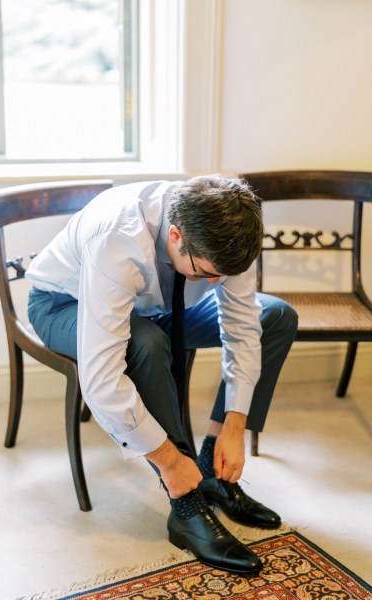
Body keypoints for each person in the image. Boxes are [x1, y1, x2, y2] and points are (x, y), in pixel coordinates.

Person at [26, 175, 298, 575]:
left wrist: (235, 423)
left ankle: (210, 472)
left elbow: (241, 325)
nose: (215, 284)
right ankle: (185, 502)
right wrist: (169, 461)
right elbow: (102, 379)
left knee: (276, 316)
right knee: (146, 342)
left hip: (157, 308)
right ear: (175, 235)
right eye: (206, 273)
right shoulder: (117, 239)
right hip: (64, 305)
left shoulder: (229, 232)